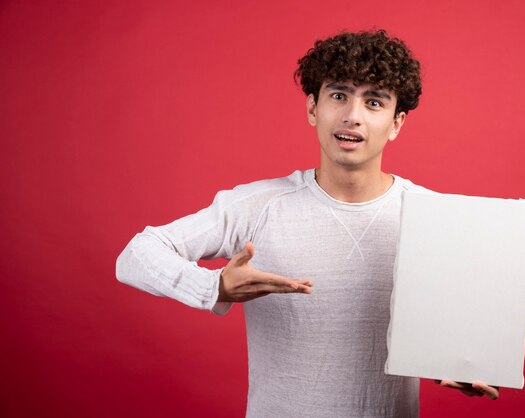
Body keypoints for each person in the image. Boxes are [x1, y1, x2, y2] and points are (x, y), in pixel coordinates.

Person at [116, 30, 499, 417]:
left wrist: (459, 363)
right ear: (313, 108)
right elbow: (135, 255)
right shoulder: (257, 206)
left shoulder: (434, 218)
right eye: (338, 96)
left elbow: (451, 339)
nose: (353, 115)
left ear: (396, 123)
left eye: (374, 101)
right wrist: (212, 286)